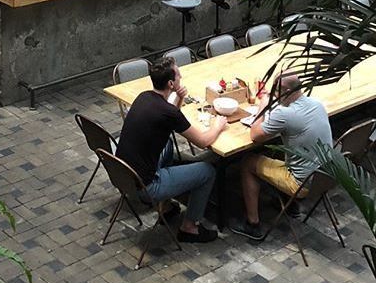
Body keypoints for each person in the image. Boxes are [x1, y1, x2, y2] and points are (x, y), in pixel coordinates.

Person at [115, 54, 228, 243]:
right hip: (146, 186)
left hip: (123, 174)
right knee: (207, 171)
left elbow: (167, 119)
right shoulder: (167, 112)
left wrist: (180, 98)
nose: (181, 77)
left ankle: (166, 207)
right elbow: (202, 142)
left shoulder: (144, 97)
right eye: (178, 76)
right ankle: (189, 227)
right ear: (170, 83)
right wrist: (218, 125)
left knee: (166, 142)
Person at [229, 70, 332, 241]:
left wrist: (263, 105)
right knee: (275, 151)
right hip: (324, 177)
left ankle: (252, 223)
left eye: (275, 93)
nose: (274, 97)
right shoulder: (317, 104)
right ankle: (289, 205)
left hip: (300, 183)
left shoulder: (285, 114)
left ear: (285, 92)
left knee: (248, 162)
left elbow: (254, 135)